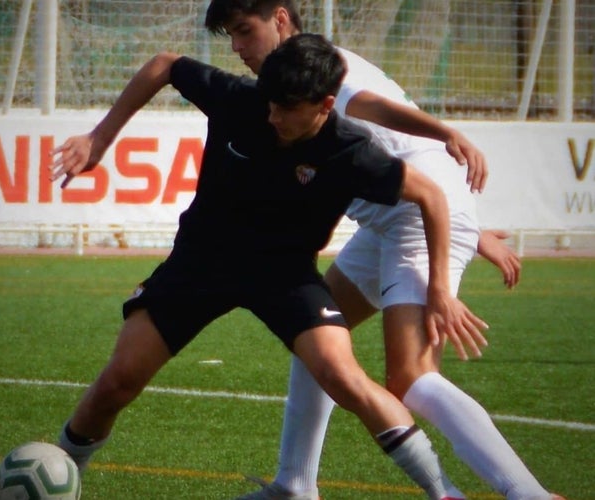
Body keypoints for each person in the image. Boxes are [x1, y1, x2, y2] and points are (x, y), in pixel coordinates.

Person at [49, 34, 487, 500]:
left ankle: (445, 493)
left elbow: (431, 196)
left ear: (325, 105)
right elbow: (164, 63)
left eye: (286, 108)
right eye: (270, 103)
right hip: (200, 263)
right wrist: (100, 137)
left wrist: (440, 287)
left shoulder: (348, 148)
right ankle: (60, 479)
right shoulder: (243, 99)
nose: (273, 115)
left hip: (284, 276)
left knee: (344, 376)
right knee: (119, 380)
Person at [203, 2, 562, 500]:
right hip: (398, 220)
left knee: (411, 378)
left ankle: (530, 495)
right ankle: (295, 484)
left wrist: (445, 133)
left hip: (417, 216)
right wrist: (470, 230)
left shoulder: (324, 72)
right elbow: (394, 154)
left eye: (245, 31)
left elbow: (371, 107)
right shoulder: (293, 81)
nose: (238, 48)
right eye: (231, 37)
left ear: (281, 19)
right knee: (314, 334)